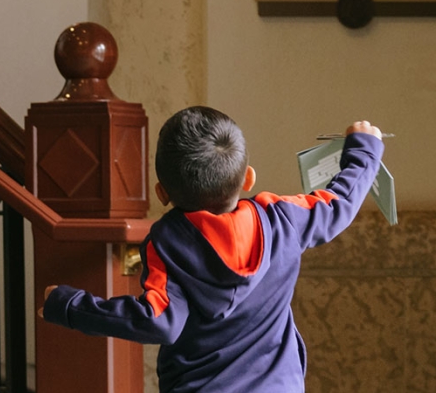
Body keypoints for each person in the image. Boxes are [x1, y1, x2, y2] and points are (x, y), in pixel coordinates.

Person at [39, 106, 384, 392]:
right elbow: (339, 203)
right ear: (248, 178)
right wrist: (364, 150)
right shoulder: (283, 219)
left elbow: (159, 320)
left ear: (162, 193)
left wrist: (70, 306)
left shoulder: (168, 240)